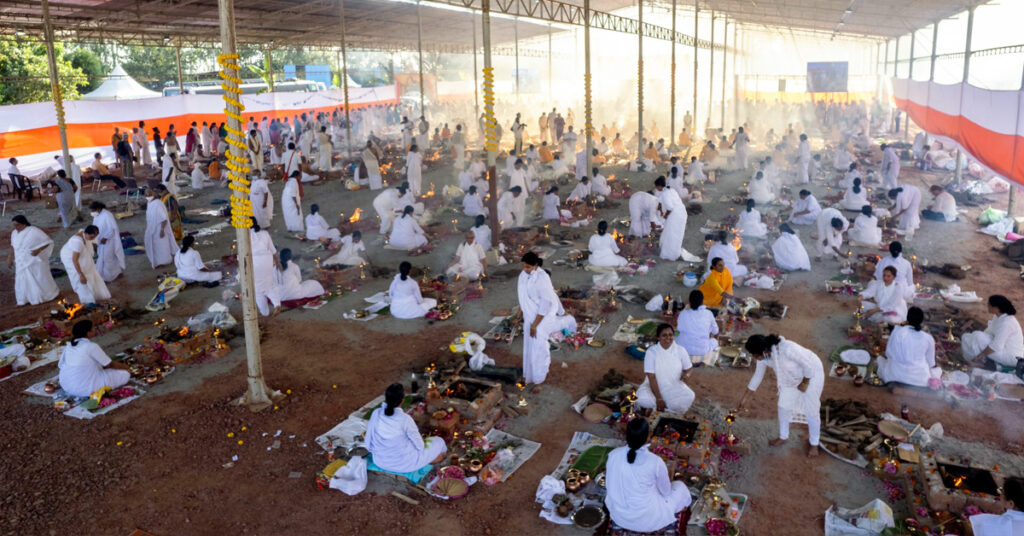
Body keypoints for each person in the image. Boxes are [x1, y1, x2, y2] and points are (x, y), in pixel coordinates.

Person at [740, 334, 825, 456]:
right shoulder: (764, 357)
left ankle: (814, 444)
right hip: (789, 377)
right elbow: (757, 376)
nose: (754, 358)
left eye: (754, 355)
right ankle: (783, 436)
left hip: (811, 374)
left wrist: (805, 382)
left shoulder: (788, 349)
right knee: (783, 406)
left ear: (763, 351)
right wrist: (744, 399)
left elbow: (808, 366)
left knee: (811, 408)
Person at [605, 418, 692, 533]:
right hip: (648, 520)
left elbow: (610, 483)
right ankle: (681, 510)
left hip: (619, 516)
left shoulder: (613, 455)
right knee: (680, 486)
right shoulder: (655, 461)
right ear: (647, 437)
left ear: (627, 436)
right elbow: (666, 492)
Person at [366, 383, 448, 473]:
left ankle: (432, 458)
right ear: (402, 400)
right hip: (404, 464)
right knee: (439, 441)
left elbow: (368, 441)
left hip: (380, 461)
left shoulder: (376, 413)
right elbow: (420, 446)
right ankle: (436, 459)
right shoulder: (405, 419)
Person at [518, 252, 561, 387]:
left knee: (539, 347)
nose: (525, 269)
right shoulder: (524, 275)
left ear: (536, 265)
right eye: (524, 266)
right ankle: (530, 373)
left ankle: (540, 379)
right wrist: (520, 314)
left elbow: (545, 304)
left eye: (528, 267)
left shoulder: (543, 279)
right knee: (530, 346)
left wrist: (535, 325)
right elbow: (523, 296)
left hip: (541, 318)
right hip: (530, 316)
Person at [57, 320, 131, 398]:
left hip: (66, 385)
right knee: (125, 375)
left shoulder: (69, 346)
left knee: (95, 365)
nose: (95, 329)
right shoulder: (91, 346)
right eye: (93, 328)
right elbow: (110, 364)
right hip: (84, 389)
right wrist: (127, 368)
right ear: (88, 333)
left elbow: (61, 365)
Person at [877, 307, 939, 387]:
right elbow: (931, 363)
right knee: (937, 371)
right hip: (920, 380)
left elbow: (889, 354)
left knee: (880, 360)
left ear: (907, 318)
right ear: (922, 321)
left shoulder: (897, 332)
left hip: (895, 376)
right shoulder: (928, 338)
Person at [8, 216, 59, 306]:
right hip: (21, 261)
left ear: (23, 224)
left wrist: (38, 250)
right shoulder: (14, 233)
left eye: (17, 225)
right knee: (22, 280)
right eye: (14, 225)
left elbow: (48, 242)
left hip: (34, 260)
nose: (15, 227)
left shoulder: (33, 231)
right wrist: (10, 258)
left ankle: (47, 295)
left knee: (39, 278)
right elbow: (13, 246)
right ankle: (25, 299)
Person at [962, 295, 1024, 369]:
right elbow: (988, 332)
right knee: (966, 336)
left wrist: (980, 356)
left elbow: (996, 346)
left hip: (1011, 356)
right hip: (1002, 348)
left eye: (989, 304)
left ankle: (979, 362)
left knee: (977, 337)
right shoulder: (998, 317)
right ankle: (979, 360)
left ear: (996, 308)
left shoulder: (1007, 323)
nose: (987, 305)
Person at [60, 225, 111, 304]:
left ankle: (97, 295)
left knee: (89, 269)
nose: (93, 239)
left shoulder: (84, 234)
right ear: (86, 233)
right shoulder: (77, 242)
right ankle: (87, 301)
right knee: (80, 277)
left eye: (94, 237)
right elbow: (75, 260)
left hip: (77, 256)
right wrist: (81, 275)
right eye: (91, 237)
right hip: (70, 258)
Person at [250, 219, 281, 316]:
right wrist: (278, 263)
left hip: (255, 263)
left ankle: (265, 313)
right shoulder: (265, 233)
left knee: (258, 290)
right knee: (269, 286)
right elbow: (273, 251)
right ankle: (277, 304)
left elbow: (242, 256)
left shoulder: (245, 237)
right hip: (267, 260)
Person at [676, 290, 719, 360]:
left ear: (689, 302)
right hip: (702, 350)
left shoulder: (683, 314)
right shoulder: (708, 313)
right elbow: (715, 331)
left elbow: (679, 330)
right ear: (702, 302)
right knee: (715, 342)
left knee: (676, 336)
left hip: (684, 347)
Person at [89, 202, 125, 282]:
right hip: (100, 241)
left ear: (98, 209)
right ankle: (115, 272)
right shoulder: (96, 216)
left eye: (93, 210)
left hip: (109, 240)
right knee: (105, 257)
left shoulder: (107, 215)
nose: (92, 212)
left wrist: (106, 237)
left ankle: (112, 276)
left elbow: (112, 228)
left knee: (107, 258)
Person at [654, 176, 687, 261]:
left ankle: (670, 255)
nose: (656, 188)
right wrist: (660, 209)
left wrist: (665, 216)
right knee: (674, 234)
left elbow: (670, 208)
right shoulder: (670, 190)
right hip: (682, 212)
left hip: (675, 214)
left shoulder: (665, 193)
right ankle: (673, 252)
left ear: (660, 186)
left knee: (672, 235)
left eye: (657, 187)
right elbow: (660, 203)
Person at [144, 189, 176, 269]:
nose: (148, 196)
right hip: (151, 229)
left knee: (162, 246)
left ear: (154, 194)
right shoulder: (149, 203)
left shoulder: (158, 204)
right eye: (146, 195)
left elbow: (164, 218)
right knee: (153, 245)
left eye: (149, 194)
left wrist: (162, 230)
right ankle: (157, 262)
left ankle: (165, 261)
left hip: (160, 228)